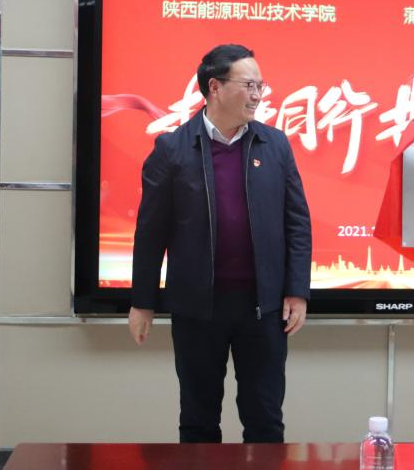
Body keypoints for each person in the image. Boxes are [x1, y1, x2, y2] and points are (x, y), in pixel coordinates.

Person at [128, 43, 312, 443]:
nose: (258, 94)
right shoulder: (173, 149)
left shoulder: (275, 145)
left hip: (263, 307)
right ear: (215, 87)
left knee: (265, 419)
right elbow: (150, 231)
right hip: (197, 307)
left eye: (261, 85)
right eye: (249, 85)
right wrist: (142, 301)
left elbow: (297, 222)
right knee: (198, 419)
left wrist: (297, 291)